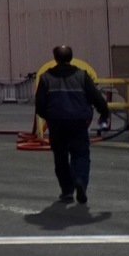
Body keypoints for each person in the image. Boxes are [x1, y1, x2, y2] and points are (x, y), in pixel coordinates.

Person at [33, 46, 110, 204]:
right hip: (78, 122)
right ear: (71, 57)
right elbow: (97, 98)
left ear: (55, 58)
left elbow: (39, 104)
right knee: (80, 154)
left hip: (56, 122)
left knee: (60, 157)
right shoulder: (82, 76)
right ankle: (80, 180)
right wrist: (104, 113)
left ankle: (67, 191)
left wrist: (48, 116)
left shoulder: (46, 78)